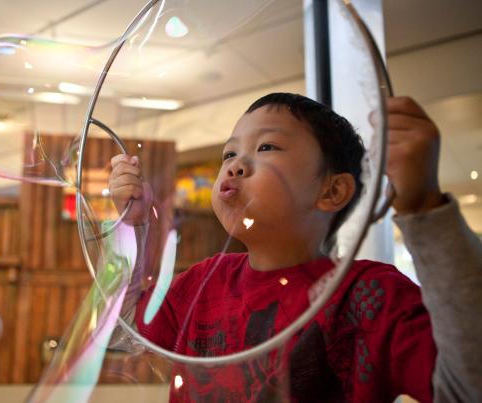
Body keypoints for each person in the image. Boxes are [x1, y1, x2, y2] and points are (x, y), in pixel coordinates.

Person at [108, 94, 482, 402]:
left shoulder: (369, 294)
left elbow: (466, 388)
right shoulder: (204, 282)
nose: (235, 165)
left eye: (266, 146)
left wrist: (424, 208)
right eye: (229, 154)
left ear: (332, 191)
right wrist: (131, 226)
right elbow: (122, 334)